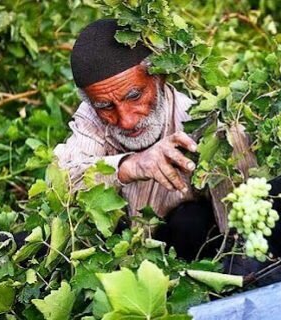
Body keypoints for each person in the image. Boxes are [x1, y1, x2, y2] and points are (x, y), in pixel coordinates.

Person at [54, 18, 220, 260]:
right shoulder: (91, 118)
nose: (126, 121)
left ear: (159, 77)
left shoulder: (197, 122)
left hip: (176, 254)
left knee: (192, 220)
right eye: (105, 106)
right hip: (115, 253)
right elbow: (61, 185)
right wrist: (128, 166)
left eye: (134, 96)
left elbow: (237, 225)